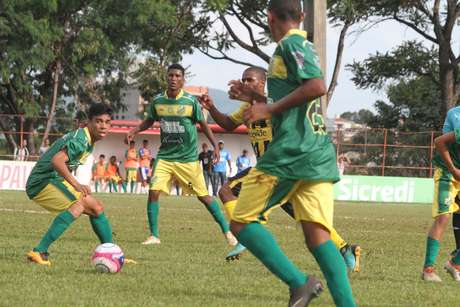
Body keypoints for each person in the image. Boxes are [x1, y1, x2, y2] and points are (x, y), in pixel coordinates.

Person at [226, 1, 356, 305]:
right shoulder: (302, 45)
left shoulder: (290, 45)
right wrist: (256, 97)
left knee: (241, 222)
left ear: (269, 18)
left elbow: (316, 86)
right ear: (301, 16)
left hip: (291, 152)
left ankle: (300, 283)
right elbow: (297, 93)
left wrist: (268, 108)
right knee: (318, 238)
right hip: (316, 152)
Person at [200, 66, 361, 270]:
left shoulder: (274, 105)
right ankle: (346, 248)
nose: (245, 84)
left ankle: (246, 235)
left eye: (250, 80)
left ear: (262, 83)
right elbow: (228, 125)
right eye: (243, 80)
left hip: (280, 167)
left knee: (226, 190)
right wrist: (212, 107)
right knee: (308, 220)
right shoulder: (247, 108)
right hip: (273, 170)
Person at [126, 63, 237, 248]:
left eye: (177, 76)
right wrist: (135, 130)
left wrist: (215, 146)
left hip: (188, 159)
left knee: (204, 197)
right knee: (153, 193)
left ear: (183, 79)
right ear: (166, 78)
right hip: (165, 157)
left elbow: (203, 124)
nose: (173, 79)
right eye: (170, 75)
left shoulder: (190, 102)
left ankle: (227, 231)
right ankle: (154, 235)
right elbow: (149, 121)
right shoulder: (158, 101)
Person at [25, 103, 117, 266]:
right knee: (79, 204)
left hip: (52, 179)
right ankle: (39, 251)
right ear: (89, 121)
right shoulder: (81, 140)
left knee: (96, 207)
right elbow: (57, 160)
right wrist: (75, 184)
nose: (103, 126)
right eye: (99, 121)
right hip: (42, 181)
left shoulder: (86, 138)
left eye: (107, 122)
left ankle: (112, 253)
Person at [441, 105, 460, 260]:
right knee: (456, 209)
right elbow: (443, 141)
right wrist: (453, 169)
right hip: (455, 168)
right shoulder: (454, 114)